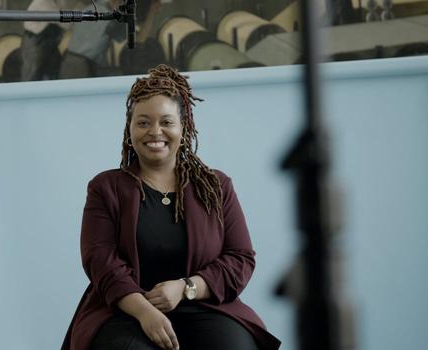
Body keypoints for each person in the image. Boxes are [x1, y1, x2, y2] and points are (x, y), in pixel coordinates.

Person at [61, 65, 281, 350]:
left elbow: (240, 258)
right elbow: (101, 262)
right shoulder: (105, 188)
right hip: (125, 309)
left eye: (166, 121)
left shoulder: (216, 186)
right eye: (143, 122)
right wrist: (144, 311)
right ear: (129, 129)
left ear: (183, 127)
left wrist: (186, 287)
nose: (155, 132)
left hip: (204, 306)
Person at [20, 0, 79, 81]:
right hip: (35, 41)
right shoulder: (42, 2)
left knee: (53, 71)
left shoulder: (54, 3)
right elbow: (59, 19)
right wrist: (76, 14)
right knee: (32, 74)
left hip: (49, 43)